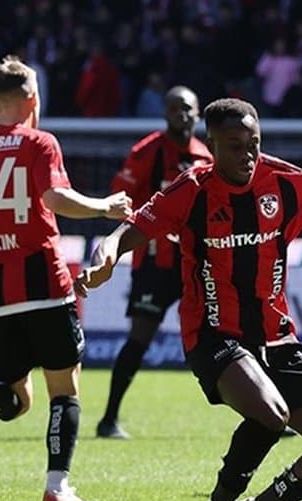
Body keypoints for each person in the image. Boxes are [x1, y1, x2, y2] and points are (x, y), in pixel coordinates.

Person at [77, 98, 302, 501]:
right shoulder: (191, 191)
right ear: (211, 146)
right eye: (234, 147)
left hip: (277, 337)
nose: (247, 155)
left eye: (254, 144)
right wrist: (107, 253)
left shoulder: (289, 185)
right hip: (215, 337)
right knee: (272, 415)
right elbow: (132, 230)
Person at [0, 55, 131, 501]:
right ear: (34, 98)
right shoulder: (40, 143)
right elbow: (54, 197)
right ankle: (57, 485)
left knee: (18, 402)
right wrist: (103, 207)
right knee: (64, 387)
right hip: (43, 281)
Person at [96, 86, 212, 440]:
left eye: (188, 109)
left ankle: (266, 412)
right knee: (140, 338)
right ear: (165, 113)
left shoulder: (206, 157)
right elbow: (122, 198)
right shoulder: (147, 152)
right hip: (154, 264)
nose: (183, 115)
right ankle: (108, 419)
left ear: (197, 114)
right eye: (176, 109)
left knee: (226, 335)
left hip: (193, 264)